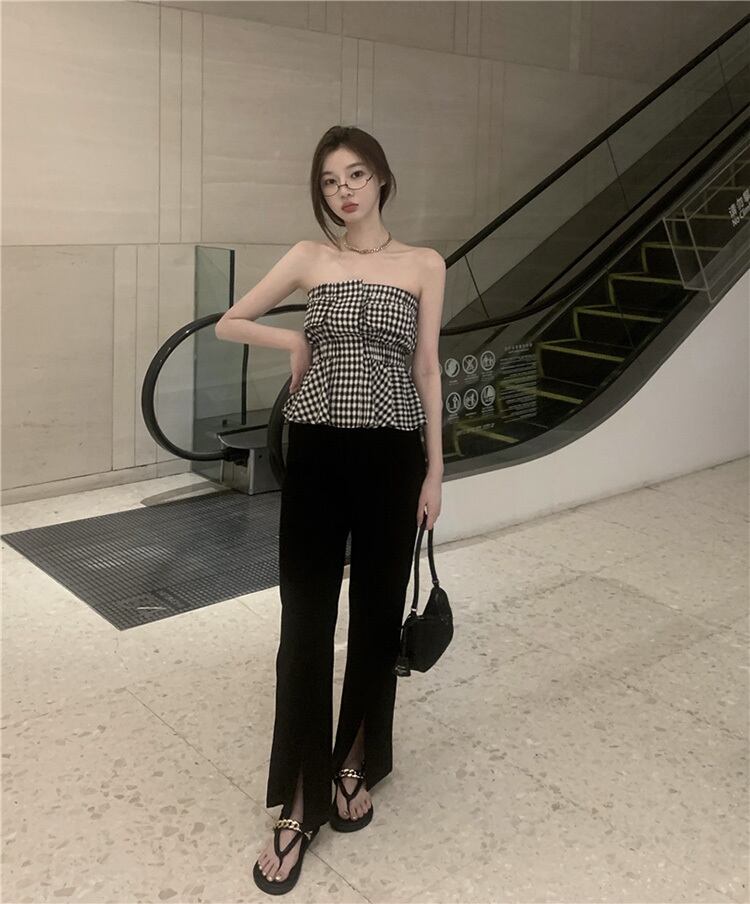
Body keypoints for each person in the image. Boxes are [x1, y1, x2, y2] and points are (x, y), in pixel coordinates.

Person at [215, 124, 445, 895]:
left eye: (355, 175)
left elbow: (426, 367)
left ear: (381, 178)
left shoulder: (423, 264)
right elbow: (231, 320)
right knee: (305, 625)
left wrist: (436, 469)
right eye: (329, 181)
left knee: (376, 620)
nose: (343, 190)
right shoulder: (311, 258)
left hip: (392, 457)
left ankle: (355, 761)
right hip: (315, 452)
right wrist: (290, 344)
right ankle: (301, 798)